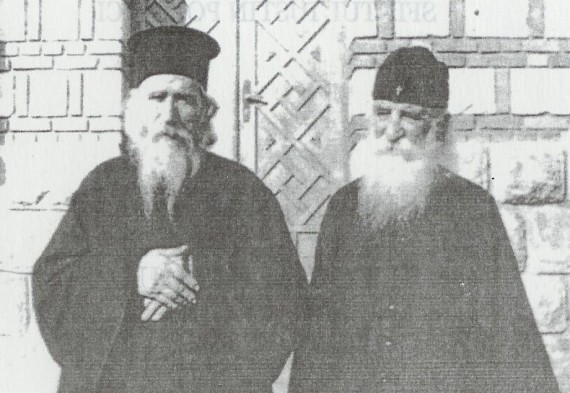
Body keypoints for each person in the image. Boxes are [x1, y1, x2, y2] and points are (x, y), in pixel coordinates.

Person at [32, 26, 308, 393]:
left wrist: (201, 275)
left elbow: (285, 297)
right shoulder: (102, 186)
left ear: (204, 112)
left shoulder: (243, 191)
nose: (169, 113)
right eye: (157, 97)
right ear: (134, 107)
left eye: (184, 99)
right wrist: (134, 274)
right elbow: (53, 279)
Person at [289, 47, 559, 393]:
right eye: (383, 113)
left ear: (439, 127)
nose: (391, 130)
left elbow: (510, 335)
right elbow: (318, 335)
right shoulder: (344, 209)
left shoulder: (472, 210)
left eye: (409, 116)